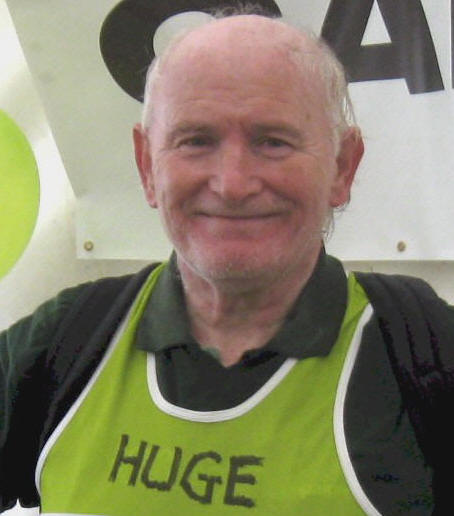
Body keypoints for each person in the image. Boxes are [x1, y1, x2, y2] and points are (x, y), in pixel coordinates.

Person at [1, 9, 453, 515]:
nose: (232, 184)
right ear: (147, 166)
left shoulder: (424, 355)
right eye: (196, 141)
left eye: (273, 142)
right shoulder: (66, 340)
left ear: (342, 167)